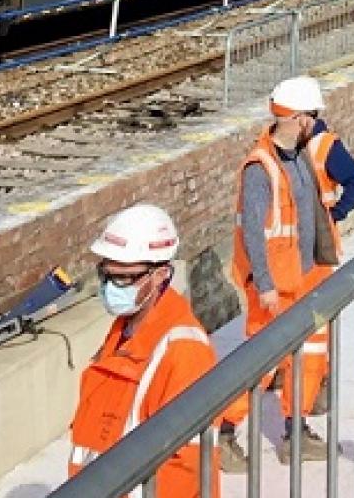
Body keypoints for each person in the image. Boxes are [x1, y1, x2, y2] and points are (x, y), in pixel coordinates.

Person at [222, 75, 354, 463]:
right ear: (301, 118)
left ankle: (295, 429)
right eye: (313, 116)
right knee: (262, 362)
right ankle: (223, 431)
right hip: (275, 285)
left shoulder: (299, 156)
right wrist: (266, 284)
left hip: (302, 278)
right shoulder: (261, 167)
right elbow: (253, 230)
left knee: (310, 354)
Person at [69, 204, 220, 498]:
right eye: (106, 275)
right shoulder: (124, 331)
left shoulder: (184, 351)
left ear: (161, 274)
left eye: (125, 278)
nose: (113, 287)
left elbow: (184, 468)